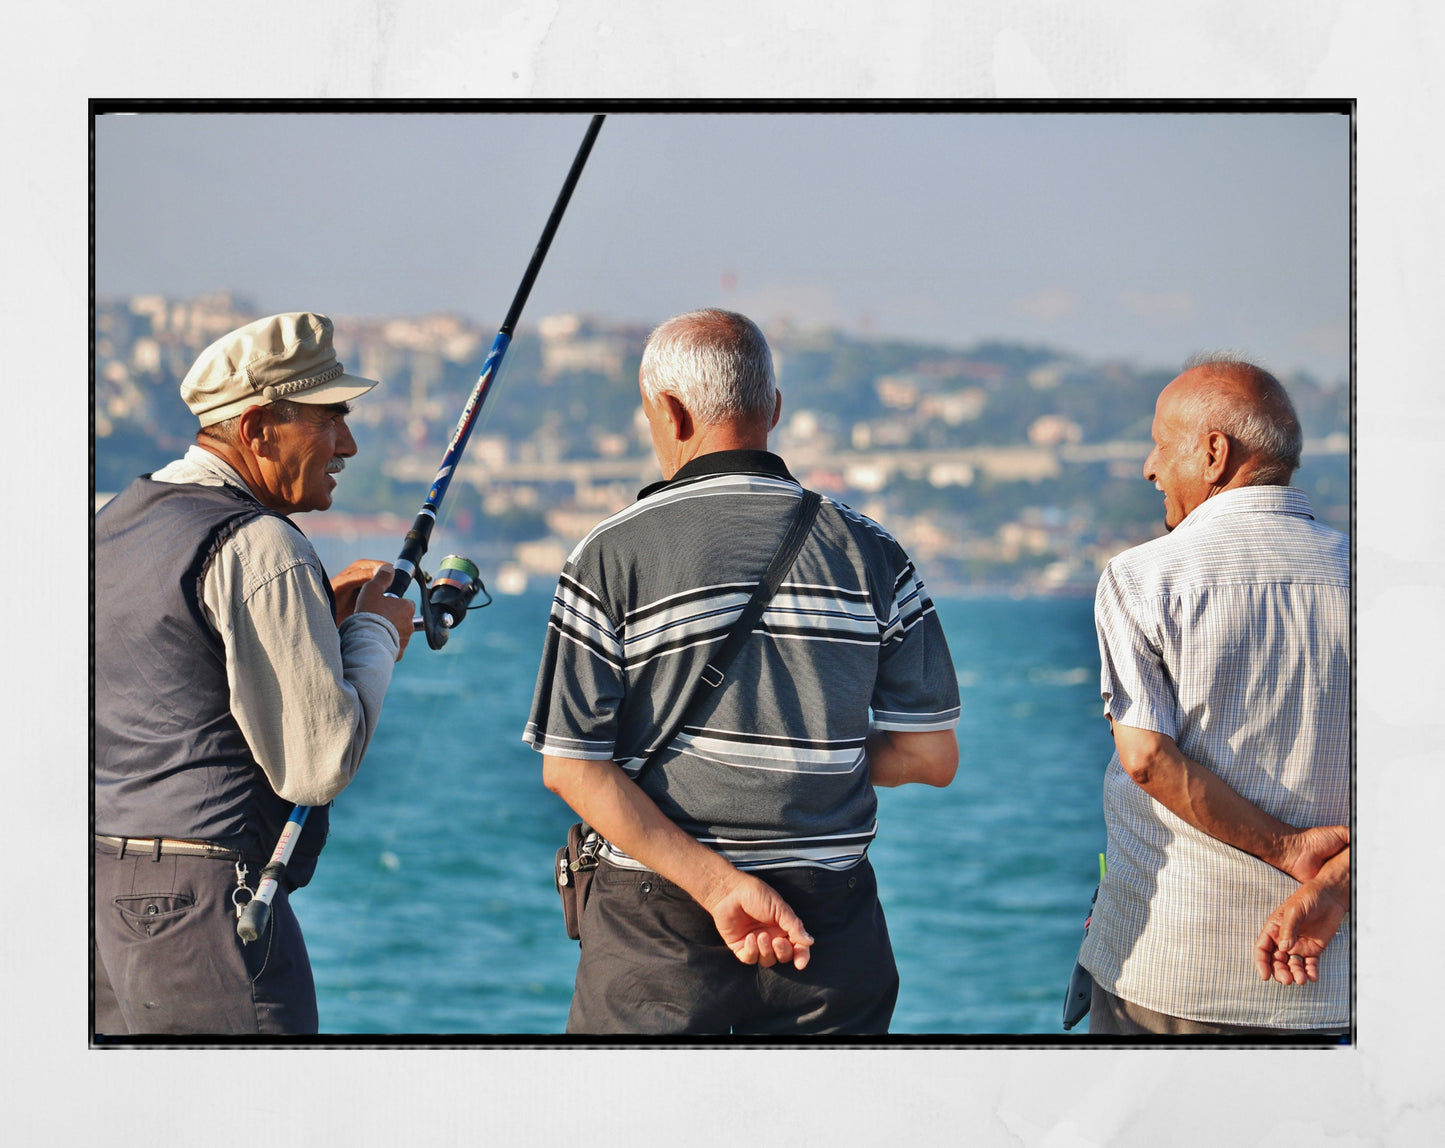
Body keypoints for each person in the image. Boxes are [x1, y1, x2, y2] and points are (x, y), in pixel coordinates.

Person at [524, 309, 960, 1034]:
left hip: (655, 930)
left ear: (667, 411)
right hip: (828, 931)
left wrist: (718, 885)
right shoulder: (875, 554)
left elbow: (572, 769)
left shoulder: (610, 554)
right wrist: (813, 753)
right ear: (774, 410)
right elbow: (930, 756)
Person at [94, 312, 416, 1036]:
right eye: (329, 419)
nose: (349, 444)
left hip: (101, 895)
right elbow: (318, 765)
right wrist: (373, 632)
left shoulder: (114, 525)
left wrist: (312, 625)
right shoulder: (260, 544)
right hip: (201, 908)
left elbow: (174, 675)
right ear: (257, 429)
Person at [1079, 355, 1350, 1036]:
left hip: (1170, 978)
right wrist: (1338, 882)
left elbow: (1145, 759)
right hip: (1339, 987)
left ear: (1212, 452)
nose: (1147, 466)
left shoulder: (1143, 577)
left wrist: (1286, 849)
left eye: (1159, 444)